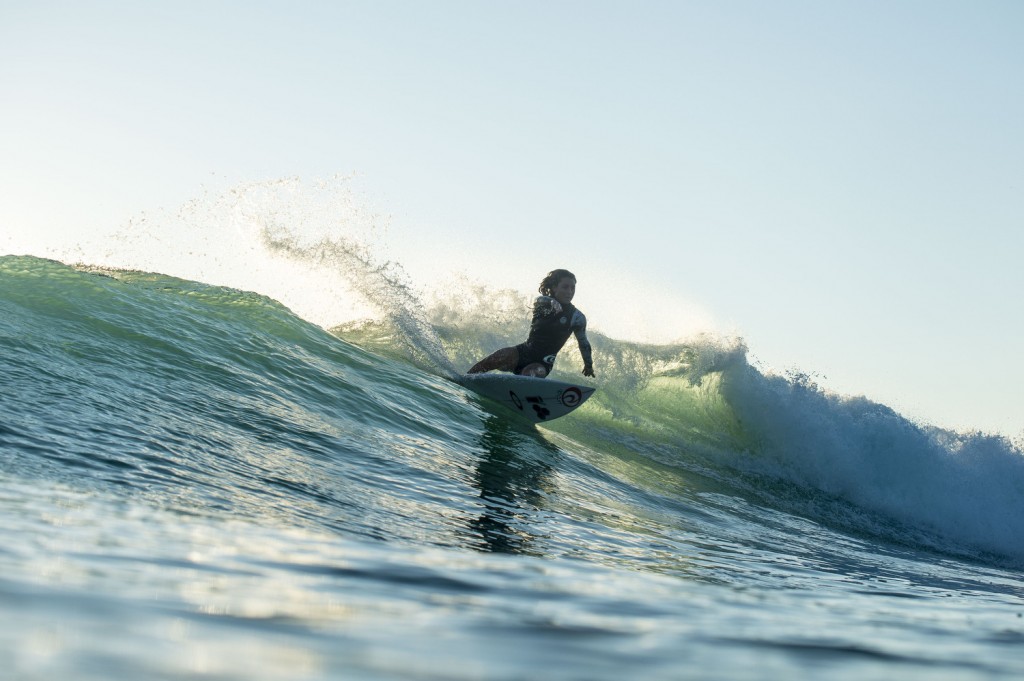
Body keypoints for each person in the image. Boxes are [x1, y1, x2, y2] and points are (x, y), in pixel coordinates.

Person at [468, 269, 595, 379]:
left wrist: (588, 365)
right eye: (565, 287)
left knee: (532, 373)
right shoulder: (542, 303)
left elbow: (583, 343)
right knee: (499, 356)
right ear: (554, 287)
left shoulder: (577, 317)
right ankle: (466, 379)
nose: (570, 291)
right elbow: (540, 299)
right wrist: (551, 302)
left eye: (573, 288)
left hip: (543, 363)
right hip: (523, 352)